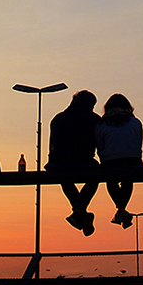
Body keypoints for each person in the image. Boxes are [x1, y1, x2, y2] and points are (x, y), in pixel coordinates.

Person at [47, 90, 102, 236]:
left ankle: (80, 213)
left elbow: (52, 145)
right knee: (96, 174)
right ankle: (79, 211)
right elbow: (100, 144)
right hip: (84, 163)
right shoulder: (95, 119)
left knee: (65, 178)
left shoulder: (58, 118)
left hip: (59, 164)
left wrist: (52, 161)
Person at [95, 94, 143, 229]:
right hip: (133, 161)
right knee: (128, 180)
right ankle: (122, 210)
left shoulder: (101, 124)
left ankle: (121, 209)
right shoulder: (135, 122)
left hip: (110, 163)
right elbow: (139, 144)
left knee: (111, 181)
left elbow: (100, 147)